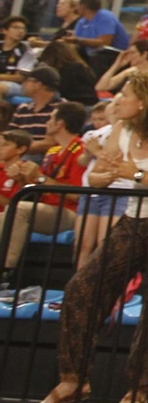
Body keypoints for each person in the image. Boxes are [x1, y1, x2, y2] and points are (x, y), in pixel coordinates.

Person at [28, 72, 148, 403]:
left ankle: (139, 388)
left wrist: (134, 174)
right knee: (82, 288)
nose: (117, 100)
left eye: (125, 94)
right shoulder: (122, 129)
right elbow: (97, 175)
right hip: (135, 217)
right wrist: (106, 175)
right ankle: (74, 379)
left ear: (145, 102)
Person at [0, 102, 88, 283]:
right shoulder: (52, 151)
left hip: (70, 212)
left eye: (51, 118)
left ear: (60, 124)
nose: (47, 122)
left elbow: (78, 194)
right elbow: (36, 191)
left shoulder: (80, 150)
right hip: (45, 209)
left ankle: (5, 272)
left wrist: (40, 177)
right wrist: (22, 179)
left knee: (19, 209)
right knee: (6, 214)